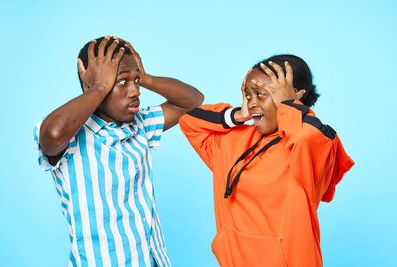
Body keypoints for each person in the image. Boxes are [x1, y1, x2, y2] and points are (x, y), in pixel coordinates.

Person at [33, 36, 203, 267]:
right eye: (122, 81)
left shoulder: (140, 124)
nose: (135, 91)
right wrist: (100, 87)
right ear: (90, 83)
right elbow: (52, 136)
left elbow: (192, 102)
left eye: (136, 80)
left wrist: (148, 78)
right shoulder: (72, 135)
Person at [179, 54, 354, 267]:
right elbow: (188, 119)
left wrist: (289, 105)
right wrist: (237, 115)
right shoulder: (233, 140)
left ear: (294, 97)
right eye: (247, 95)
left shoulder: (308, 148)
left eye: (261, 95)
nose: (252, 103)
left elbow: (310, 136)